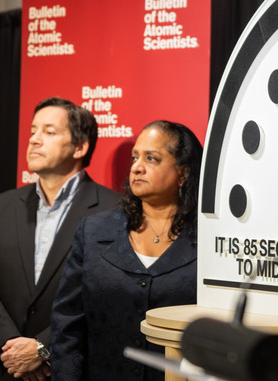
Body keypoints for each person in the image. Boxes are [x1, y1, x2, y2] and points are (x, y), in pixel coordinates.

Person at [0, 97, 119, 381]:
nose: (34, 140)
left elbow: (106, 294)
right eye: (33, 131)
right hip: (5, 368)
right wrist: (10, 346)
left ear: (79, 147)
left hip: (71, 368)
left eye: (49, 132)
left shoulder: (114, 210)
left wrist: (43, 347)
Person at [49, 120, 202, 380]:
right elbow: (67, 323)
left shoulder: (210, 240)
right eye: (134, 157)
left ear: (183, 173)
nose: (137, 167)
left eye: (151, 159)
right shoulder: (94, 231)